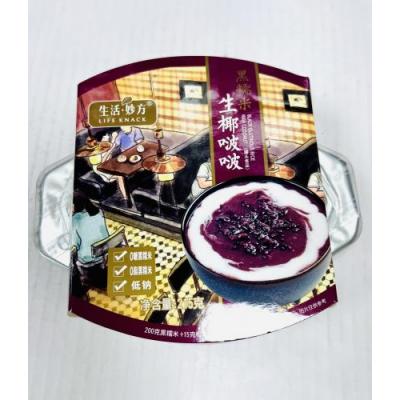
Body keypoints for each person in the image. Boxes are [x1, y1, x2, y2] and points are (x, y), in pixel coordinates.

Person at [71, 191, 109, 294]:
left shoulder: (75, 220)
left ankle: (80, 284)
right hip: (103, 252)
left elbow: (74, 245)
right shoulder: (99, 211)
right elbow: (104, 232)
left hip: (88, 260)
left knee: (70, 257)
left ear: (75, 205)